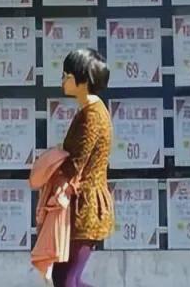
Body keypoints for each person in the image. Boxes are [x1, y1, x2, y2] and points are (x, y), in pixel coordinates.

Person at [52, 48, 114, 287]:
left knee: (66, 278)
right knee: (66, 277)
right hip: (82, 204)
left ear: (83, 80)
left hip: (86, 206)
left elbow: (77, 162)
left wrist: (49, 166)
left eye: (67, 75)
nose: (63, 80)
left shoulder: (93, 115)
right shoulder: (90, 111)